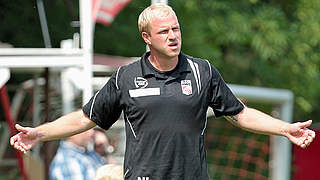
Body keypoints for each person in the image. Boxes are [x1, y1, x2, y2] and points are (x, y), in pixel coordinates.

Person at [10, 4, 315, 180]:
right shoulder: (126, 77)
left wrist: (284, 128)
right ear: (147, 37)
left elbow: (240, 115)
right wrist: (40, 134)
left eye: (176, 29)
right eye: (164, 32)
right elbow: (85, 118)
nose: (173, 36)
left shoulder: (202, 71)